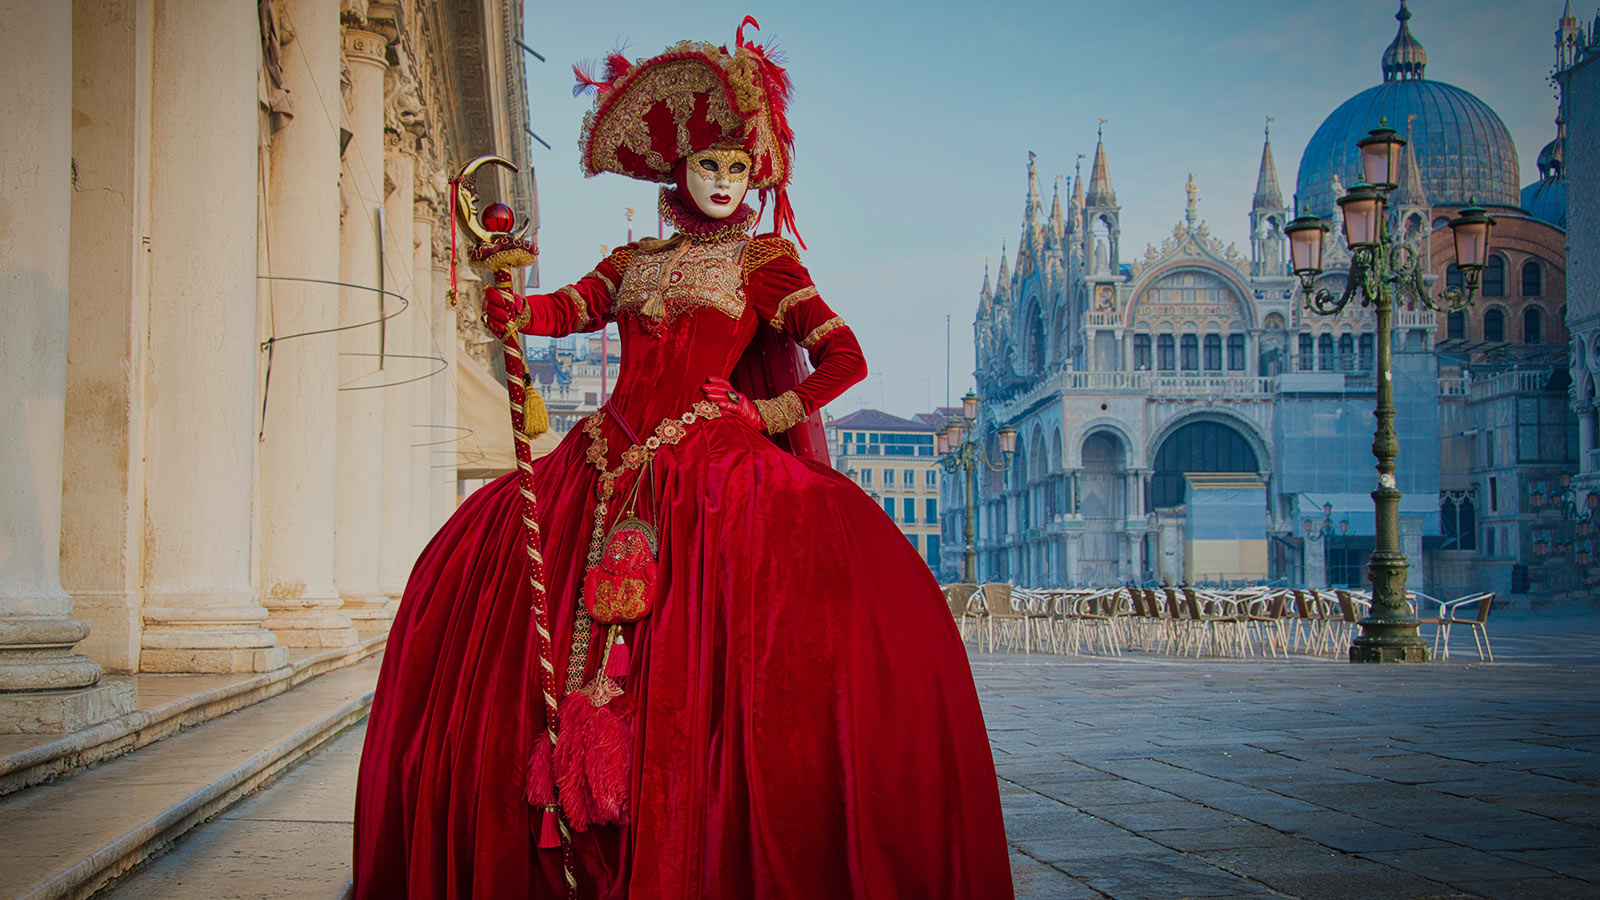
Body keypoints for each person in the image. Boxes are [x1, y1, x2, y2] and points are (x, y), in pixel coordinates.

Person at [353, 22, 1013, 900]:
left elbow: (843, 358)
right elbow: (565, 309)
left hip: (712, 474)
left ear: (756, 175)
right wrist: (508, 299)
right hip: (602, 458)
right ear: (679, 169)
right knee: (474, 577)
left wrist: (769, 410)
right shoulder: (632, 262)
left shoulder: (765, 261)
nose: (725, 182)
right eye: (710, 164)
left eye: (740, 169)